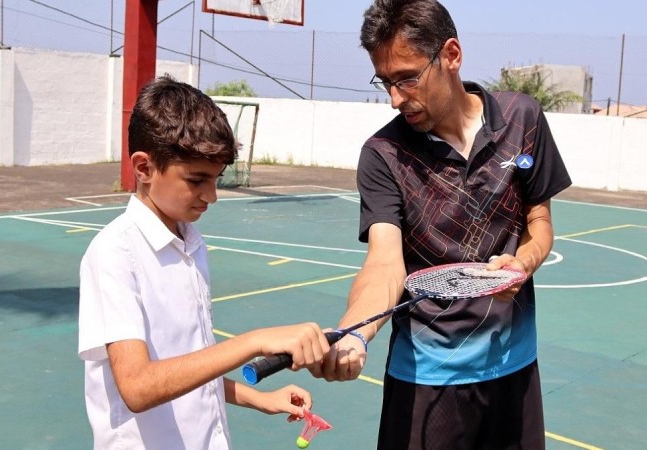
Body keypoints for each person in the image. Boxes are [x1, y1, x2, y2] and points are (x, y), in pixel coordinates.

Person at [312, 1, 573, 449]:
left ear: (451, 55)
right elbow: (384, 264)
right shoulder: (383, 155)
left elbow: (539, 220)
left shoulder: (523, 118)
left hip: (515, 367)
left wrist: (522, 263)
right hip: (426, 380)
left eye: (408, 77)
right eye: (386, 82)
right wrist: (355, 331)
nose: (396, 98)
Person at [77, 76, 330, 449]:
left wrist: (258, 398)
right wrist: (255, 341)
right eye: (197, 180)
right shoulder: (116, 253)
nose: (211, 196)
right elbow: (138, 386)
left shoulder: (190, 242)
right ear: (144, 168)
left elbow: (185, 366)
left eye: (216, 179)